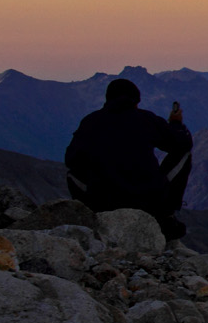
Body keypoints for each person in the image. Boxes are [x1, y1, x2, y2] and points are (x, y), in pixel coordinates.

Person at [65, 78, 193, 239]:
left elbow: (71, 159)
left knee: (72, 173)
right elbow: (183, 144)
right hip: (149, 201)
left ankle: (91, 218)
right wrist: (176, 124)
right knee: (184, 154)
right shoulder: (146, 119)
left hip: (103, 201)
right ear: (136, 102)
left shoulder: (90, 122)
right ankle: (166, 216)